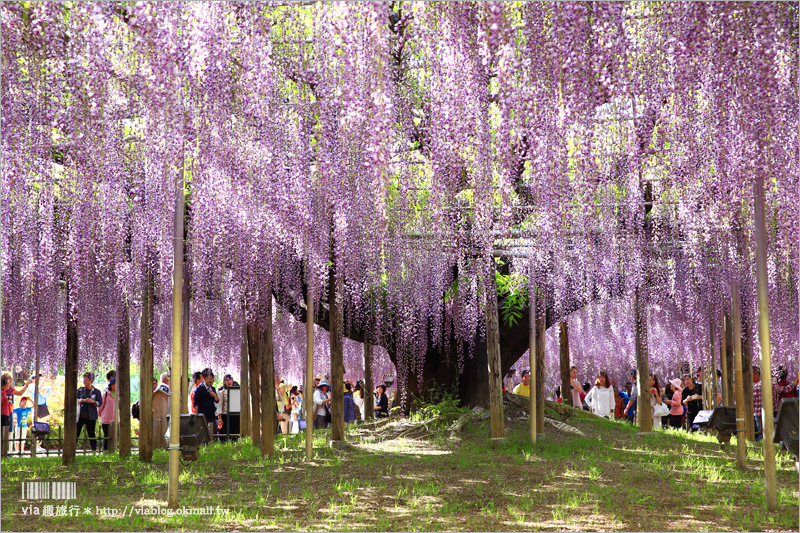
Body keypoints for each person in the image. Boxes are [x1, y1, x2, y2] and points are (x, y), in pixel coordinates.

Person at [76, 372, 103, 451]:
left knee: (91, 434)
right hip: (80, 415)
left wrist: (93, 402)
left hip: (90, 416)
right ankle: (72, 449)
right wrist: (79, 400)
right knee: (76, 433)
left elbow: (100, 403)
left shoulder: (96, 391)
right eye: (84, 380)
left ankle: (94, 450)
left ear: (91, 380)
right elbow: (74, 399)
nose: (84, 381)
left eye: (86, 380)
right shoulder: (80, 390)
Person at [193, 368, 219, 441]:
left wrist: (214, 395)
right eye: (208, 379)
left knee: (212, 432)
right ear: (204, 379)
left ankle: (212, 445)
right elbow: (196, 403)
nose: (210, 381)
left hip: (211, 414)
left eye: (212, 379)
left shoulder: (213, 389)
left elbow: (217, 400)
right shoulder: (199, 389)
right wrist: (196, 416)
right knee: (203, 433)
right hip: (202, 415)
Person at [218, 374, 240, 441]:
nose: (229, 382)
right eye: (227, 380)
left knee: (236, 433)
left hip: (236, 414)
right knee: (226, 433)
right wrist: (220, 417)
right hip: (226, 415)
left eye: (230, 380)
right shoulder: (222, 392)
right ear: (224, 382)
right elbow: (219, 406)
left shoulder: (237, 391)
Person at [97, 377, 117, 451]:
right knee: (107, 435)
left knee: (115, 436)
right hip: (106, 419)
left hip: (116, 419)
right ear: (111, 385)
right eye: (114, 384)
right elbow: (101, 406)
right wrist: (101, 415)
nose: (116, 385)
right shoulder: (106, 394)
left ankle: (113, 450)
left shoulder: (120, 394)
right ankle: (105, 450)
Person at [753, 367, 763, 440]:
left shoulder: (756, 386)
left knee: (760, 431)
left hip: (757, 412)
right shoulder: (771, 385)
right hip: (769, 412)